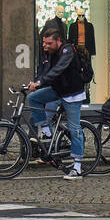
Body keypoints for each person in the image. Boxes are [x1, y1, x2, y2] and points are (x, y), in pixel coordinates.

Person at [25, 22, 86, 180]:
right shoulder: (50, 52)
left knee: (75, 129)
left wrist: (40, 82)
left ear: (58, 41)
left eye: (49, 43)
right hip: (58, 90)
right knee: (33, 98)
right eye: (44, 43)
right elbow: (46, 70)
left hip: (72, 94)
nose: (45, 46)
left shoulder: (67, 51)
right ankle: (46, 132)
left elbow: (59, 69)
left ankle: (77, 167)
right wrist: (37, 83)